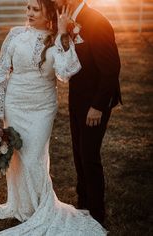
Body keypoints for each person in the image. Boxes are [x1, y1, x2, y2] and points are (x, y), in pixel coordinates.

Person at [0, 0, 106, 235]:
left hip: (42, 107)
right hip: (15, 103)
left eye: (35, 9)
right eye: (28, 8)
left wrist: (62, 34)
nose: (29, 13)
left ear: (47, 13)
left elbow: (66, 72)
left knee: (33, 158)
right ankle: (23, 205)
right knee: (18, 158)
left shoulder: (58, 39)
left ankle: (41, 207)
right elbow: (1, 71)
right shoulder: (15, 34)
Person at [51, 0, 122, 225]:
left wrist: (98, 106)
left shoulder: (97, 22)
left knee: (89, 157)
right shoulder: (66, 20)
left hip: (94, 104)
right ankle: (83, 205)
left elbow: (111, 69)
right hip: (77, 100)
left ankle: (96, 214)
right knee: (79, 156)